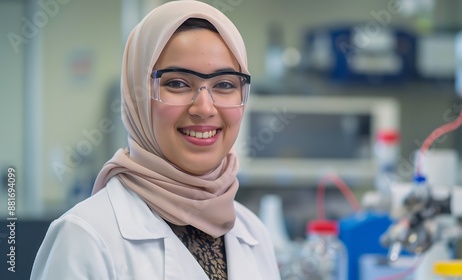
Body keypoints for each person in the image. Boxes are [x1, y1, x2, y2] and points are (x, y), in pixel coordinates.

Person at [30, 1, 281, 279]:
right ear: (137, 95)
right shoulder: (85, 237)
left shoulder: (253, 232)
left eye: (224, 84)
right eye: (177, 83)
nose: (205, 108)